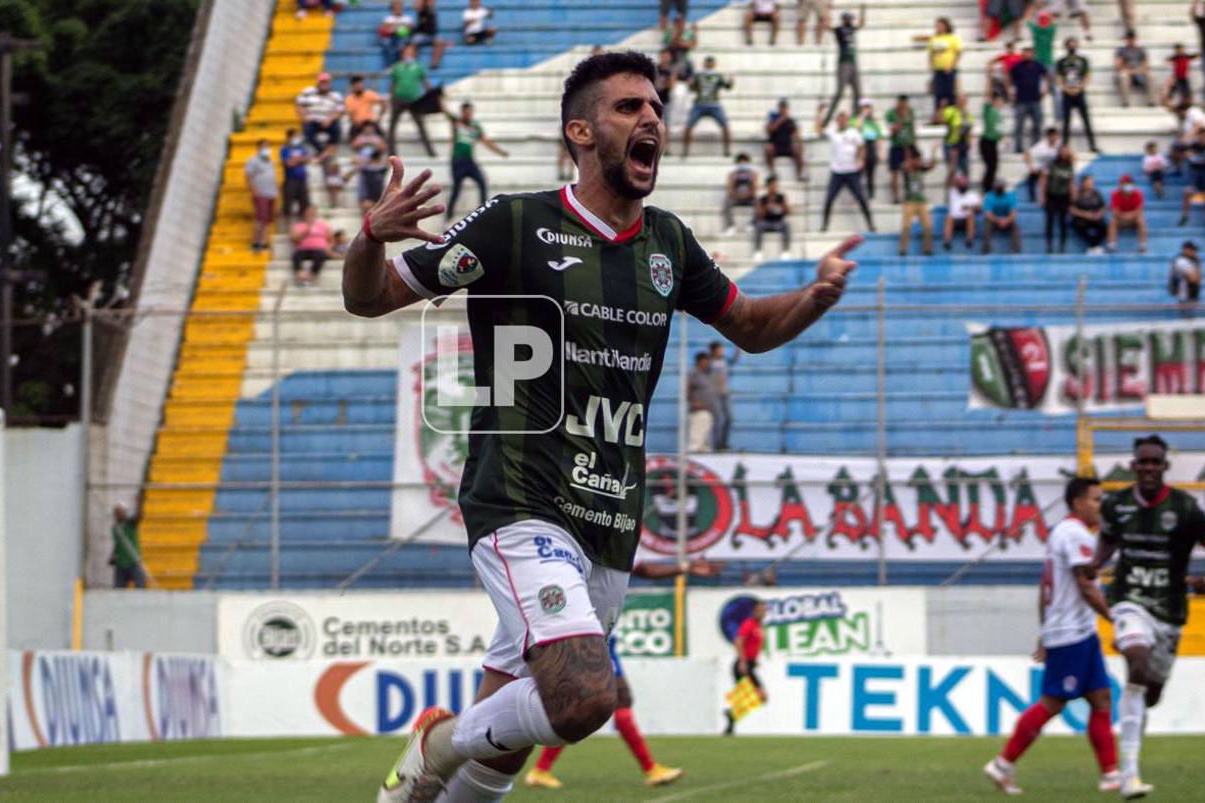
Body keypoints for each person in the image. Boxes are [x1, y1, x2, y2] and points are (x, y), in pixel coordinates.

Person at [350, 51, 861, 803]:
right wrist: (369, 238)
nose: (651, 116)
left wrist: (815, 296)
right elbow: (372, 298)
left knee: (504, 749)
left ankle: (432, 770)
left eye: (655, 106)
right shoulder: (513, 224)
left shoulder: (669, 244)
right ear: (580, 132)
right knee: (586, 698)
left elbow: (749, 326)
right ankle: (435, 741)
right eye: (629, 107)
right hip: (520, 501)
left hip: (611, 516)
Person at [1089, 435, 1205, 799]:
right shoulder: (1117, 505)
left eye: (1154, 462)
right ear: (1133, 466)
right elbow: (1109, 540)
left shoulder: (1186, 509)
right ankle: (1128, 775)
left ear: (1164, 467)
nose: (1147, 468)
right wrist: (1096, 565)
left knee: (1150, 691)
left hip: (1170, 611)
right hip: (1129, 600)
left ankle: (1135, 724)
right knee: (1136, 661)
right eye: (1141, 462)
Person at [525, 559, 719, 790]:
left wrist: (684, 568)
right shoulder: (602, 541)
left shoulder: (605, 545)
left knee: (593, 706)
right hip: (593, 637)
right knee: (607, 702)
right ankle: (649, 769)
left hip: (602, 636)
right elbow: (642, 568)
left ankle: (542, 769)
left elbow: (640, 567)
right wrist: (684, 568)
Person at [984, 477, 1118, 796]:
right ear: (1078, 503)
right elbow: (1085, 585)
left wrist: (1044, 633)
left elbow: (1046, 589)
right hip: (1072, 633)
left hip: (1078, 632)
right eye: (1097, 500)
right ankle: (1002, 764)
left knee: (1101, 698)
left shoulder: (1063, 533)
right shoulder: (1075, 534)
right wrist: (1116, 619)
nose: (1102, 506)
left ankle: (1112, 774)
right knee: (1053, 702)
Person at [443, 101, 509, 221]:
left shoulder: (475, 126)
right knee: (456, 188)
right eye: (466, 112)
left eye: (470, 112)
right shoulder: (456, 122)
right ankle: (449, 215)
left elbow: (486, 141)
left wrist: (500, 152)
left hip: (469, 161)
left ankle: (483, 211)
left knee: (482, 182)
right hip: (457, 161)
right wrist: (440, 97)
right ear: (462, 112)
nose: (468, 114)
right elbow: (445, 112)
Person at [817, 106, 875, 232]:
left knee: (861, 198)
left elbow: (862, 146)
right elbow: (819, 130)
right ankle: (824, 225)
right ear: (837, 120)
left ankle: (870, 224)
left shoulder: (853, 132)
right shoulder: (832, 132)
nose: (842, 121)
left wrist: (860, 159)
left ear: (847, 120)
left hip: (851, 171)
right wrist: (819, 114)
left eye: (845, 119)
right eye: (840, 119)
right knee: (829, 199)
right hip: (837, 172)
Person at [723, 599, 767, 735]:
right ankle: (731, 713)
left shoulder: (758, 626)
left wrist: (755, 661)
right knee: (760, 695)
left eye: (764, 610)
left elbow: (753, 645)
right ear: (754, 611)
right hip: (743, 664)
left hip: (750, 664)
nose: (762, 613)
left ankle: (731, 716)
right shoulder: (749, 624)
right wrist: (743, 661)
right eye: (760, 610)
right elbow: (739, 641)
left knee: (758, 696)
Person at [389, 44, 439, 157]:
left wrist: (432, 94)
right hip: (398, 100)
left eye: (411, 52)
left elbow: (425, 82)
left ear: (414, 54)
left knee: (421, 126)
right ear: (403, 53)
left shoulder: (419, 67)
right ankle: (391, 152)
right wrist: (391, 99)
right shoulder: (397, 67)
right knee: (392, 128)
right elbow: (393, 84)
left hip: (414, 100)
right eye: (407, 52)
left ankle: (431, 152)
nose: (408, 54)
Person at [682, 56, 734, 158]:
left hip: (714, 104)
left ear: (714, 64)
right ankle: (685, 150)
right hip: (699, 104)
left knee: (725, 126)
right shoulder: (698, 75)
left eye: (711, 63)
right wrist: (690, 84)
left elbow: (727, 87)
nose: (709, 65)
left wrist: (731, 82)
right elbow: (692, 89)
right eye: (708, 63)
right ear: (704, 63)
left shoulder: (718, 76)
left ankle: (727, 150)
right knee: (688, 126)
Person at [822, 7, 866, 121]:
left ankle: (854, 120)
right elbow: (826, 26)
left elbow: (861, 24)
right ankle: (826, 120)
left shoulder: (852, 28)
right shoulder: (839, 29)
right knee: (840, 92)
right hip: (844, 63)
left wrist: (863, 10)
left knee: (858, 93)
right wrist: (827, 12)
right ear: (844, 19)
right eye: (848, 19)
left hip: (853, 63)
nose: (850, 21)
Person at [1057, 37, 1097, 151]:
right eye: (1070, 44)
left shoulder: (1083, 60)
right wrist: (1066, 89)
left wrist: (1080, 88)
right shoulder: (1061, 61)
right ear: (1066, 45)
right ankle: (1064, 147)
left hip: (1080, 93)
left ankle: (1092, 145)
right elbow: (1059, 78)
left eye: (1074, 43)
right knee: (1066, 122)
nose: (1072, 46)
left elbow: (1087, 76)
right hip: (1066, 93)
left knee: (1086, 120)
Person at [1010, 45, 1050, 153]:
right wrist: (1011, 93)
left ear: (1033, 54)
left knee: (1037, 125)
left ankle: (1035, 146)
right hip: (1021, 100)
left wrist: (1045, 89)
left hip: (1035, 99)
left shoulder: (1038, 66)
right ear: (1022, 54)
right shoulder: (1017, 67)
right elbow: (1009, 79)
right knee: (1019, 126)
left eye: (1030, 53)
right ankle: (1018, 147)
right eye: (1025, 53)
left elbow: (1047, 76)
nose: (1028, 55)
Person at [898, 146, 935, 256]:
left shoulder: (921, 169)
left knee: (928, 226)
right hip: (909, 202)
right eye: (918, 159)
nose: (920, 161)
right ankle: (903, 250)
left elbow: (931, 166)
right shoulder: (906, 168)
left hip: (921, 201)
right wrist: (910, 157)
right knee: (906, 226)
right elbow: (905, 166)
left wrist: (933, 152)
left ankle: (927, 249)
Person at [295, 71, 344, 154]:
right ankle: (322, 151)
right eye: (322, 82)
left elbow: (340, 111)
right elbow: (299, 106)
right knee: (307, 129)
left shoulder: (336, 95)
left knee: (337, 128)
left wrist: (330, 119)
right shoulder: (307, 92)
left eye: (326, 82)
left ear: (329, 83)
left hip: (328, 121)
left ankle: (330, 148)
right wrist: (305, 117)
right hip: (312, 120)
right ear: (318, 82)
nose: (324, 84)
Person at [1038, 145, 1074, 253]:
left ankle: (1062, 247)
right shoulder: (1051, 164)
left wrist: (1073, 196)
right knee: (1050, 221)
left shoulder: (1069, 165)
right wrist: (1042, 196)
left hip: (1064, 196)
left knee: (1063, 222)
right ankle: (1049, 246)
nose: (1065, 154)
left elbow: (1070, 181)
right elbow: (1043, 179)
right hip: (1051, 196)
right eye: (1063, 151)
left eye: (1067, 151)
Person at [1180, 126, 1205, 225]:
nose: (1204, 138)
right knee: (1188, 193)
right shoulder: (1193, 146)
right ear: (1198, 136)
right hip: (1194, 172)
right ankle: (1185, 216)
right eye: (1202, 136)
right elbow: (1185, 154)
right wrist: (1188, 154)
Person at [936, 92, 974, 192]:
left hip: (962, 147)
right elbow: (940, 120)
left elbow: (969, 130)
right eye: (960, 100)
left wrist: (970, 142)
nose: (962, 102)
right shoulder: (951, 111)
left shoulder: (968, 114)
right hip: (951, 145)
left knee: (965, 171)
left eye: (963, 100)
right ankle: (950, 193)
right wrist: (942, 108)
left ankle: (964, 193)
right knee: (952, 171)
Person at [244, 138, 277, 252]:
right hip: (260, 193)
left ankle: (263, 242)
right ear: (258, 148)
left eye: (268, 146)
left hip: (271, 193)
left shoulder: (270, 161)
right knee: (260, 219)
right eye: (264, 146)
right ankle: (255, 242)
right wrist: (253, 191)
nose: (266, 149)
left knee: (267, 220)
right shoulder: (253, 161)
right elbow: (248, 176)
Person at [924, 18, 963, 109]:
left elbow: (958, 53)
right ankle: (939, 114)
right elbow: (931, 53)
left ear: (945, 26)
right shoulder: (934, 38)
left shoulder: (952, 38)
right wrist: (931, 65)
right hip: (938, 70)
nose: (937, 28)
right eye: (936, 26)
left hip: (949, 69)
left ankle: (951, 113)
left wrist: (952, 65)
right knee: (938, 93)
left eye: (939, 25)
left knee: (950, 92)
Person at [764, 99, 806, 182]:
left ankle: (799, 175)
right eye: (782, 108)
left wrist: (799, 144)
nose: (783, 110)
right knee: (768, 149)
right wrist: (781, 120)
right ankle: (773, 173)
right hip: (776, 146)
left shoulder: (791, 121)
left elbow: (796, 134)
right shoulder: (773, 118)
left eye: (785, 108)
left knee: (799, 151)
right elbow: (769, 130)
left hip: (787, 146)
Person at [291, 203, 332, 285]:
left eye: (313, 212)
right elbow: (294, 239)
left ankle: (312, 275)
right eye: (309, 212)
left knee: (320, 255)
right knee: (296, 255)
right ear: (305, 213)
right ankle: (300, 273)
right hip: (303, 249)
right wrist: (306, 230)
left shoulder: (323, 225)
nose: (311, 214)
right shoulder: (299, 225)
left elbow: (331, 239)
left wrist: (328, 247)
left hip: (319, 249)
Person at [754, 174, 792, 261]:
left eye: (776, 185)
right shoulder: (762, 199)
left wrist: (780, 206)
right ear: (768, 186)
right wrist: (766, 207)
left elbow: (788, 211)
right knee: (758, 226)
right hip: (766, 222)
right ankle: (758, 251)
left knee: (787, 225)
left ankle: (785, 251)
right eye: (772, 185)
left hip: (778, 222)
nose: (774, 187)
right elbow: (760, 216)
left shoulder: (781, 197)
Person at [885, 95, 916, 202]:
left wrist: (913, 143)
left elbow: (912, 128)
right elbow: (893, 130)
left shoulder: (910, 112)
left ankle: (909, 195)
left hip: (908, 146)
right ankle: (895, 197)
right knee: (895, 173)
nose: (903, 105)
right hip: (896, 146)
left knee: (909, 172)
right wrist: (901, 119)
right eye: (901, 103)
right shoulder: (891, 114)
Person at [109, 502, 146, 589]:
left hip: (133, 562)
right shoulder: (115, 528)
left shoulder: (130, 524)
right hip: (121, 563)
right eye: (118, 512)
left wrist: (139, 502)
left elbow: (138, 517)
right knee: (119, 589)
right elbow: (118, 544)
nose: (120, 514)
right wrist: (113, 555)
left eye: (122, 511)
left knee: (140, 584)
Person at [1107, 174, 1148, 253]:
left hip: (1133, 219)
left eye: (1129, 183)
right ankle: (1111, 245)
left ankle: (1142, 245)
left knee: (1141, 220)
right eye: (1125, 183)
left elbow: (1139, 210)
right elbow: (1115, 211)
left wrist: (1129, 216)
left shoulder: (1138, 194)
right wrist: (1124, 216)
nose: (1128, 185)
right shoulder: (1115, 194)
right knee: (1112, 222)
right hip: (1121, 219)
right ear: (1121, 184)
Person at [708, 341, 737, 451]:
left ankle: (724, 443)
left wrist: (738, 350)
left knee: (729, 418)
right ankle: (717, 444)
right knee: (718, 419)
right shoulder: (709, 363)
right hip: (714, 394)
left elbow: (733, 360)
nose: (722, 351)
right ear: (714, 351)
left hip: (725, 393)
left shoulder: (724, 360)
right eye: (720, 349)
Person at [279, 129, 311, 228]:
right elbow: (288, 163)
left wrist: (296, 160)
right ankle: (287, 227)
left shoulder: (302, 147)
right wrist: (299, 160)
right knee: (287, 205)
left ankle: (303, 226)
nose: (297, 138)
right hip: (290, 180)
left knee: (304, 204)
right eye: (295, 136)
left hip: (302, 179)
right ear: (289, 137)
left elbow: (307, 159)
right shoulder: (284, 149)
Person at [1115, 31, 1155, 107]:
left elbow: (1147, 65)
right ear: (1126, 39)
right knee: (1123, 76)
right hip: (1127, 72)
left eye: (1132, 39)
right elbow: (1118, 65)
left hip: (1139, 72)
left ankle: (1151, 101)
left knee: (1150, 76)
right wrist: (1129, 70)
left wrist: (1139, 70)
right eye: (1129, 39)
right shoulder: (1121, 51)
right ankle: (1125, 102)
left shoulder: (1141, 50)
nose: (1131, 41)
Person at [1069, 174, 1107, 254]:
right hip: (1081, 218)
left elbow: (1103, 207)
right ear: (1083, 183)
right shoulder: (1077, 194)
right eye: (1088, 182)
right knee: (1078, 225)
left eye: (1091, 182)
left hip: (1095, 217)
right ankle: (1094, 246)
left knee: (1104, 226)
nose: (1090, 184)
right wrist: (1085, 214)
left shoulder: (1096, 193)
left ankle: (1093, 247)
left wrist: (1099, 214)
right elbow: (1071, 209)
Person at [852, 99, 882, 198]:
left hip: (871, 148)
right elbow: (857, 128)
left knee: (871, 175)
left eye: (868, 107)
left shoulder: (873, 122)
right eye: (864, 107)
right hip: (861, 148)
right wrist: (863, 116)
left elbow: (878, 137)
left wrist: (880, 152)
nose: (866, 109)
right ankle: (857, 196)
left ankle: (870, 196)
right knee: (858, 175)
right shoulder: (855, 119)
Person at [982, 178, 1021, 253]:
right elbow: (988, 215)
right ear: (994, 187)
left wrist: (1006, 220)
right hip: (994, 220)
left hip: (1007, 220)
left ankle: (1016, 252)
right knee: (987, 227)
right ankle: (986, 251)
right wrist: (998, 220)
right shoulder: (989, 196)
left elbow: (1013, 214)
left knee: (1015, 227)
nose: (999, 187)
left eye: (1001, 186)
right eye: (998, 186)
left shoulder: (1011, 196)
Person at [943, 172, 981, 250]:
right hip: (954, 220)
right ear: (957, 184)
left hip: (966, 220)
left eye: (964, 184)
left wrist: (969, 207)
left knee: (970, 216)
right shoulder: (953, 192)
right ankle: (947, 241)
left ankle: (969, 240)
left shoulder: (973, 195)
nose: (962, 185)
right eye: (960, 184)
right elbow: (948, 180)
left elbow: (979, 209)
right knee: (949, 217)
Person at [723, 153, 758, 234]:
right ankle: (731, 226)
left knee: (758, 201)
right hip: (736, 198)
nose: (742, 164)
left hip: (749, 198)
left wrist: (746, 195)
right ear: (737, 163)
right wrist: (738, 195)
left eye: (744, 162)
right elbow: (729, 191)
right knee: (727, 201)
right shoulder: (732, 175)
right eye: (740, 162)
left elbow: (755, 190)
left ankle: (752, 225)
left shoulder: (753, 174)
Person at [688, 351, 716, 452]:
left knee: (705, 444)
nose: (707, 363)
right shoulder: (694, 373)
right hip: (699, 411)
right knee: (696, 441)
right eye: (705, 361)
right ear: (700, 361)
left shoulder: (706, 374)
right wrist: (693, 402)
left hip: (707, 409)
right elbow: (688, 388)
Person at [1024, 126, 1060, 201]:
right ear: (1048, 136)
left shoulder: (1060, 145)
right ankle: (1033, 198)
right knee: (1031, 178)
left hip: (1053, 171)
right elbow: (1026, 154)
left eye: (1055, 135)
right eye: (1052, 136)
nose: (1054, 138)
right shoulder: (1041, 145)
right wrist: (1031, 167)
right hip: (1039, 170)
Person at [346, 74, 386, 139]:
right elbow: (350, 115)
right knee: (353, 140)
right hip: (357, 124)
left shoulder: (369, 94)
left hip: (370, 123)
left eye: (360, 83)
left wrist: (380, 117)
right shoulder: (349, 99)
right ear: (352, 86)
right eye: (356, 84)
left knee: (383, 139)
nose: (358, 86)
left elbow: (383, 102)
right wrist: (355, 122)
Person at [979, 92, 1005, 191]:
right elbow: (986, 102)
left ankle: (988, 186)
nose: (1001, 103)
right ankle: (986, 187)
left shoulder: (999, 114)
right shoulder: (989, 110)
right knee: (991, 166)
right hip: (987, 141)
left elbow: (999, 130)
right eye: (999, 101)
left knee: (993, 166)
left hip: (993, 143)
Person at [378, 0, 415, 68]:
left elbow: (410, 29)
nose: (398, 8)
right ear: (392, 8)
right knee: (386, 43)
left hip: (403, 38)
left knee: (403, 43)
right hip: (391, 38)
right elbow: (383, 30)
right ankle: (390, 65)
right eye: (396, 7)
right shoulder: (387, 18)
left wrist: (394, 27)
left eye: (400, 7)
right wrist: (398, 28)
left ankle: (401, 65)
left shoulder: (407, 18)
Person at [411, 0, 448, 69]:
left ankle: (434, 64)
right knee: (414, 42)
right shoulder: (421, 9)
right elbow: (415, 6)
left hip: (432, 35)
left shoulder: (432, 11)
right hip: (422, 35)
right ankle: (414, 63)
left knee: (440, 42)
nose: (431, 2)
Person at [1170, 241, 1203, 307]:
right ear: (1186, 250)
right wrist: (1197, 267)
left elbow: (1198, 279)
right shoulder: (1180, 261)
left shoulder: (1192, 261)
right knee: (1186, 316)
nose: (1194, 252)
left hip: (1192, 294)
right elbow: (1193, 279)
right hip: (1184, 295)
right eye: (1192, 250)